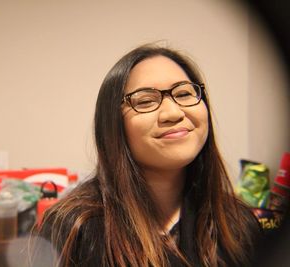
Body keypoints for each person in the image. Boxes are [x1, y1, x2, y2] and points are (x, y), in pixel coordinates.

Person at [33, 43, 262, 267]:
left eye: (183, 93)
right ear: (113, 125)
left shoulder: (239, 225)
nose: (173, 113)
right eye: (145, 101)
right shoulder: (76, 227)